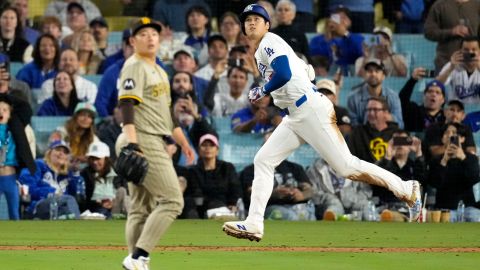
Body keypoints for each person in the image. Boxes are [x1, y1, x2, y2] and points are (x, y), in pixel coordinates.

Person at [222, 4, 422, 242]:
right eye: (247, 20)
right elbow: (304, 71)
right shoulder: (263, 50)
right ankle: (254, 223)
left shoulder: (269, 41)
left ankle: (407, 189)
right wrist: (301, 72)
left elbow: (284, 73)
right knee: (263, 160)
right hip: (296, 115)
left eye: (257, 18)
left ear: (267, 24)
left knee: (347, 167)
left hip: (309, 110)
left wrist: (262, 89)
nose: (252, 23)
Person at [118, 17, 195, 270]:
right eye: (143, 34)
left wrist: (183, 143)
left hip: (151, 136)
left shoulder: (160, 70)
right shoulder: (135, 65)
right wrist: (132, 143)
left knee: (140, 208)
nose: (150, 37)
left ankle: (135, 263)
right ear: (132, 41)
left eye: (154, 33)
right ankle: (138, 256)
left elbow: (168, 113)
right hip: (141, 137)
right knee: (173, 201)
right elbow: (127, 104)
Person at [426, 123, 480, 221]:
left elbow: (474, 179)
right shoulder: (436, 160)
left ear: (462, 139)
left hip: (468, 207)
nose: (450, 135)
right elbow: (434, 183)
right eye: (447, 133)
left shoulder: (471, 158)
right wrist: (444, 161)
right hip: (445, 207)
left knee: (475, 217)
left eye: (454, 133)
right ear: (442, 139)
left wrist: (463, 158)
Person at [19, 140, 81, 219]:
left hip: (61, 208)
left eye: (65, 152)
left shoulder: (67, 175)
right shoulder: (38, 165)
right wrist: (52, 192)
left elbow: (76, 196)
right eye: (58, 150)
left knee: (69, 207)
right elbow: (27, 189)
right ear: (49, 152)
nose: (61, 153)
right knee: (68, 200)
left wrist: (75, 173)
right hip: (37, 207)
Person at [188, 133, 242, 218]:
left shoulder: (227, 167)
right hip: (201, 208)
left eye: (211, 145)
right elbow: (195, 193)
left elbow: (235, 188)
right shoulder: (192, 171)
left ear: (217, 150)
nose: (207, 148)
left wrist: (233, 204)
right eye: (204, 145)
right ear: (199, 150)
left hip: (226, 206)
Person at [424, 0, 480, 73]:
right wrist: (451, 32)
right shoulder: (440, 5)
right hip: (445, 64)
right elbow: (428, 32)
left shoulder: (477, 5)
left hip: (474, 65)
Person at [347, 59, 404, 128]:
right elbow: (352, 126)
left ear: (383, 76)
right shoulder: (353, 98)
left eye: (377, 71)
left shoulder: (393, 97)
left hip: (386, 135)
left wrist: (388, 117)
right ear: (365, 75)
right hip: (362, 137)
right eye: (370, 71)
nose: (373, 74)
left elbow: (400, 125)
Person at [81, 141, 129, 218]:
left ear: (106, 159)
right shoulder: (85, 174)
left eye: (98, 159)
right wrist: (99, 202)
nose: (94, 162)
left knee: (122, 191)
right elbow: (84, 200)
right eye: (92, 159)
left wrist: (112, 202)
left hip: (116, 208)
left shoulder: (118, 173)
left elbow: (126, 192)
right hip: (95, 211)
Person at [436, 36, 480, 105]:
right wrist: (451, 68)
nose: (470, 52)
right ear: (460, 51)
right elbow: (437, 84)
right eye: (466, 49)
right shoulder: (453, 64)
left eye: (474, 49)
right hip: (456, 111)